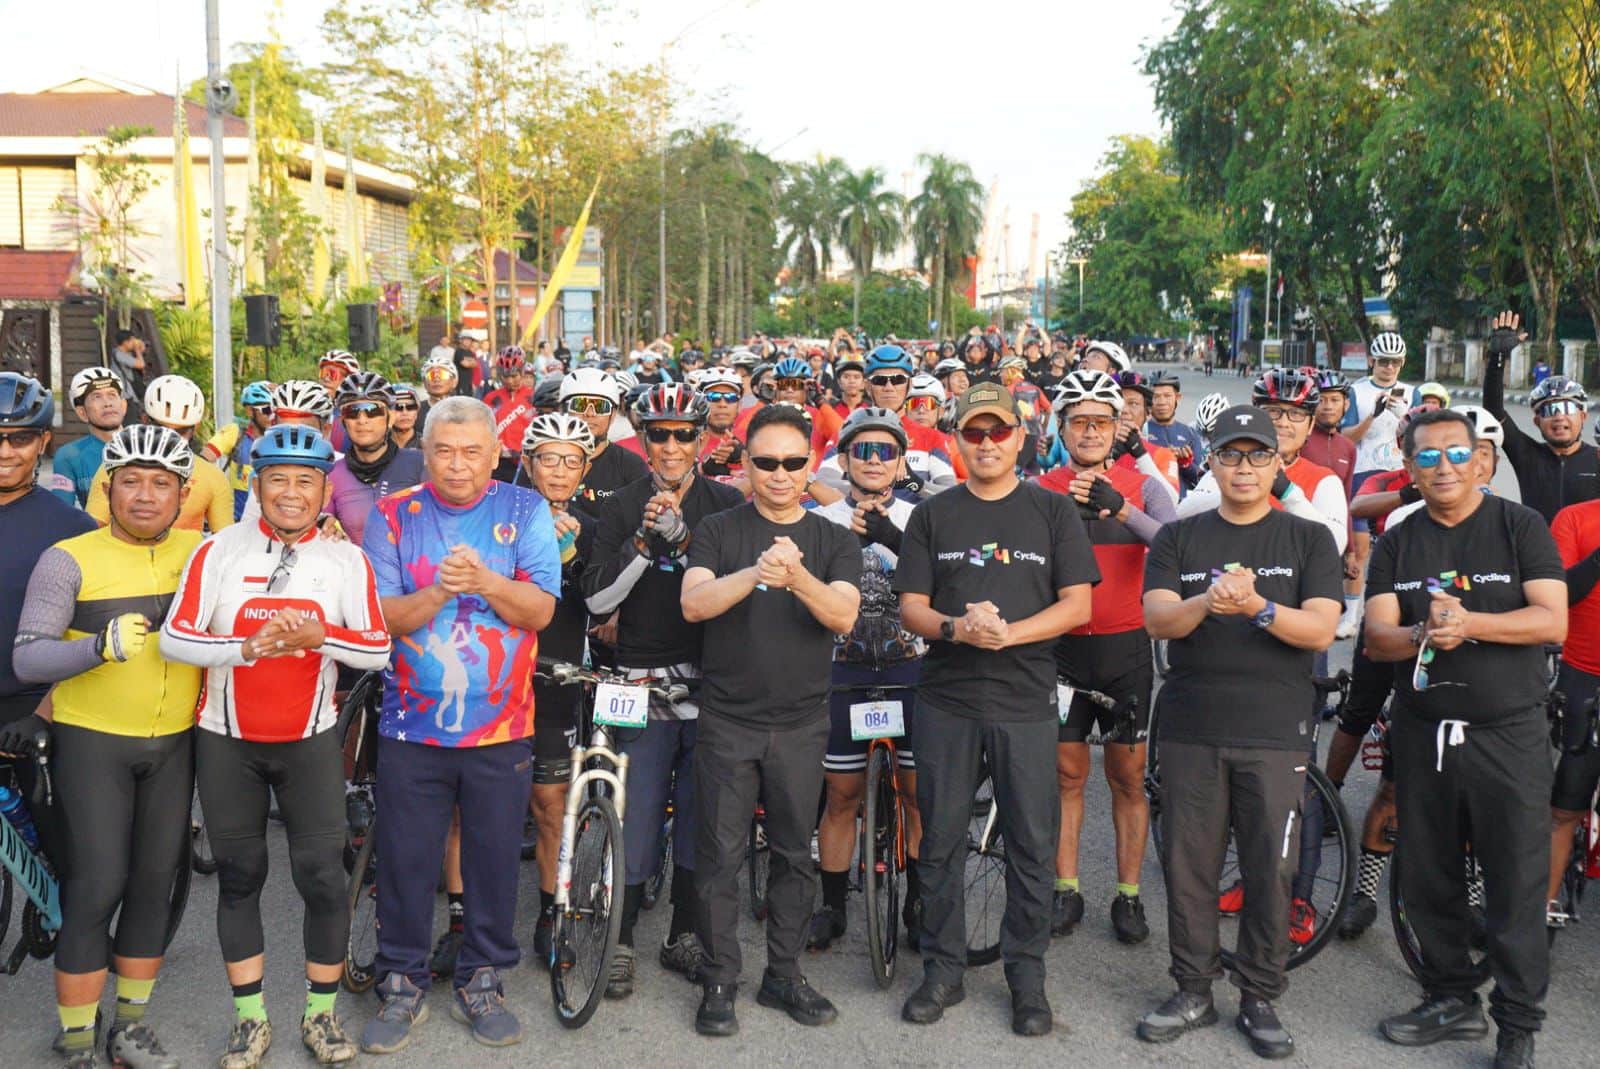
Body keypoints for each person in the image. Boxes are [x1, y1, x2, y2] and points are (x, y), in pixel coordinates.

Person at [159, 424, 391, 1068]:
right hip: (226, 743)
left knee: (320, 879)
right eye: (278, 479)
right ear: (255, 483)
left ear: (324, 489)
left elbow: (377, 649)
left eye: (306, 481)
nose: (292, 493)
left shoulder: (345, 560)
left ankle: (320, 1016)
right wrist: (245, 648)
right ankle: (249, 1020)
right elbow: (175, 639)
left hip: (309, 744)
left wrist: (319, 635)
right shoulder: (218, 551)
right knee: (240, 878)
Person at [1135, 405, 1342, 1060]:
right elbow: (1158, 620)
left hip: (1276, 729)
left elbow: (1319, 629)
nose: (1244, 466)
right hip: (1192, 724)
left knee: (1270, 867)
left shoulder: (1307, 539)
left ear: (1277, 462)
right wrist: (1208, 602)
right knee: (1188, 865)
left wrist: (1258, 606)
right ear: (1213, 463)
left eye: (1257, 455)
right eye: (1231, 454)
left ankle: (1258, 994)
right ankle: (1192, 988)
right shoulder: (1180, 538)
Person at [893, 382, 1098, 1037]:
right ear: (956, 438)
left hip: (1025, 701)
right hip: (947, 699)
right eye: (973, 433)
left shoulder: (1052, 511)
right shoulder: (933, 513)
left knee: (1032, 846)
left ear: (1020, 437)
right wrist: (957, 628)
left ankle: (1027, 980)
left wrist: (1009, 633)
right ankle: (942, 970)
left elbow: (1078, 604)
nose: (986, 444)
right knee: (942, 840)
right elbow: (912, 606)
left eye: (998, 432)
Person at [1363, 408, 1566, 1069]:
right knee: (1428, 876)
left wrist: (1471, 621)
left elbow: (1549, 618)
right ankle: (1450, 996)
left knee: (1514, 881)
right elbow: (1376, 635)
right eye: (1427, 457)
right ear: (1410, 466)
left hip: (1508, 734)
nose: (1443, 467)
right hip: (1424, 733)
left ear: (1482, 461)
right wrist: (1424, 632)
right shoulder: (1397, 540)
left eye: (1456, 454)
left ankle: (1517, 1022)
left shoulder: (1518, 526)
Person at [357, 396, 559, 1053]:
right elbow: (385, 617)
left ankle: (482, 977)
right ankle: (402, 979)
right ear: (426, 453)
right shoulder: (391, 515)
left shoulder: (525, 510)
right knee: (407, 858)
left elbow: (539, 611)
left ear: (496, 454)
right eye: (444, 449)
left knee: (495, 859)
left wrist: (486, 581)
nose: (458, 464)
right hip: (411, 726)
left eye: (473, 450)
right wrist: (443, 590)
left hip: (502, 726)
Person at [13, 424, 203, 1069]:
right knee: (96, 886)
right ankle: (74, 1038)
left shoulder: (204, 553)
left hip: (174, 744)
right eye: (130, 482)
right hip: (94, 743)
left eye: (160, 484)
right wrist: (96, 647)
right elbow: (30, 658)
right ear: (108, 487)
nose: (145, 496)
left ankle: (129, 1027)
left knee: (154, 885)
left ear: (182, 494)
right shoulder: (69, 557)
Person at [680, 403, 862, 1037]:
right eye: (766, 462)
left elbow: (843, 616)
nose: (779, 474)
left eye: (792, 462)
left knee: (793, 853)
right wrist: (756, 572)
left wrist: (798, 577)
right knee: (720, 856)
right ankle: (720, 977)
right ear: (747, 464)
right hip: (728, 719)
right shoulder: (719, 528)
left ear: (810, 464)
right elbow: (695, 603)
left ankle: (782, 974)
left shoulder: (835, 539)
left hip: (802, 722)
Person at [583, 383, 744, 998]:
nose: (671, 446)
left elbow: (739, 593)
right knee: (638, 813)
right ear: (642, 439)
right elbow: (597, 600)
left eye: (683, 434)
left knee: (703, 817)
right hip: (639, 679)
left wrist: (685, 543)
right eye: (659, 434)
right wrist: (644, 547)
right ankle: (620, 939)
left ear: (702, 440)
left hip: (714, 682)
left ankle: (682, 934)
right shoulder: (623, 502)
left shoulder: (727, 503)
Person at [1034, 370, 1175, 943]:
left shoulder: (1146, 483)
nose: (1090, 432)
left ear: (1119, 427)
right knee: (1067, 776)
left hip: (1125, 648)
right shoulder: (1041, 488)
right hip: (1063, 652)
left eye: (1101, 421)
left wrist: (1120, 510)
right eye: (1078, 422)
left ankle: (1129, 896)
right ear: (1062, 428)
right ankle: (1066, 890)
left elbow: (1176, 545)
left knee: (1127, 776)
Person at [807, 407, 927, 951]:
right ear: (845, 459)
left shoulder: (925, 516)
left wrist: (895, 536)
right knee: (841, 798)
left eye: (885, 451)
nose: (874, 461)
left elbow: (944, 583)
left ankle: (920, 901)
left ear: (901, 461)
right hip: (843, 671)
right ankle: (832, 905)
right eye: (863, 450)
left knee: (915, 795)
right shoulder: (819, 522)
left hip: (910, 668)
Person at [514, 413, 598, 964]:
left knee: (550, 804)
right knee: (470, 809)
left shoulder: (594, 521)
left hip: (556, 672)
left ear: (586, 467)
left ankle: (552, 911)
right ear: (528, 463)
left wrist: (570, 554)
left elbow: (596, 596)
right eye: (549, 458)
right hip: (494, 673)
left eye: (572, 460)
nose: (560, 471)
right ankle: (463, 918)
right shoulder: (500, 511)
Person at [0, 373, 96, 764]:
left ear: (43, 441)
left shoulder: (75, 530)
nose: (5, 451)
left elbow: (93, 639)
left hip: (35, 714)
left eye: (19, 438)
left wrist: (44, 715)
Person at [1482, 310, 1600, 523]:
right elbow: (1493, 412)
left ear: (1583, 416)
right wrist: (1497, 359)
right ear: (1537, 421)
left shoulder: (1597, 459)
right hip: (1536, 554)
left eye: (1567, 408)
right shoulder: (1527, 455)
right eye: (1548, 410)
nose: (1558, 417)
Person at [1547, 461, 1600, 929]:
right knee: (1566, 805)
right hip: (1585, 675)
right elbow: (1562, 593)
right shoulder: (1574, 518)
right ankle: (1541, 908)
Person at [86, 374, 234, 534]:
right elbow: (92, 532)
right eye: (161, 429)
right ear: (144, 420)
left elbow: (224, 542)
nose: (169, 439)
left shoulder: (213, 477)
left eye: (180, 432)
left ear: (195, 428)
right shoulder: (115, 468)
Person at [1340, 331, 1413, 636]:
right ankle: (1351, 616)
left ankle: (1397, 609)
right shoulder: (1356, 392)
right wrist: (1374, 415)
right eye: (1383, 361)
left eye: (1395, 362)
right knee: (1358, 549)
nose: (1389, 368)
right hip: (1363, 473)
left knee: (1401, 545)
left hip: (1398, 474)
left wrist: (1404, 416)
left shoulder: (1412, 391)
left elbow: (1419, 434)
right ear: (1371, 361)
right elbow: (1346, 438)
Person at [328, 372, 425, 546]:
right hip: (360, 571)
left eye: (373, 411)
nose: (362, 420)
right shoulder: (333, 473)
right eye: (352, 412)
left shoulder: (420, 464)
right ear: (343, 421)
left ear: (390, 418)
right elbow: (322, 526)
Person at [560, 367, 649, 507]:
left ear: (613, 415)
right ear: (563, 410)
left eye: (600, 406)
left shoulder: (631, 466)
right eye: (579, 404)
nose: (589, 413)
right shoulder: (542, 461)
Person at [49, 367, 128, 506]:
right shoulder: (69, 456)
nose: (107, 403)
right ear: (82, 413)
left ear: (123, 406)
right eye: (97, 397)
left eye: (112, 395)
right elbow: (61, 513)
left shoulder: (150, 443)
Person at [203, 380, 276, 521]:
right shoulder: (235, 433)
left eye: (276, 410)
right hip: (235, 521)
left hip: (269, 523)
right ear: (250, 411)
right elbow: (203, 461)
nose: (272, 416)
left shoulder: (283, 440)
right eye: (267, 410)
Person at [1144, 373, 1206, 492]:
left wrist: (1185, 464)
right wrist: (1161, 456)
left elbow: (1200, 481)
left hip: (1182, 505)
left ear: (1177, 397)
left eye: (1167, 396)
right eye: (1155, 396)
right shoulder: (1140, 432)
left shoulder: (1190, 434)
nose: (1161, 402)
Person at [483, 346, 535, 482]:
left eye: (514, 376)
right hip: (499, 462)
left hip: (525, 462)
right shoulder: (491, 398)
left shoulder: (533, 397)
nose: (510, 381)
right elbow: (484, 428)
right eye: (506, 377)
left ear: (522, 372)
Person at [697, 367, 747, 477]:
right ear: (700, 404)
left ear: (739, 405)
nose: (722, 404)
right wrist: (702, 469)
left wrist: (744, 457)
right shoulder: (686, 441)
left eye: (731, 397)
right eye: (713, 397)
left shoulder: (754, 439)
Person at [108, 329, 148, 411]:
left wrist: (140, 346)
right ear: (125, 342)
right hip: (126, 396)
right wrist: (137, 349)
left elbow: (141, 352)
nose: (134, 343)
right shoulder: (119, 355)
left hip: (130, 394)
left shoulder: (124, 353)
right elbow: (141, 364)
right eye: (132, 341)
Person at [390, 385, 423, 450]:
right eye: (398, 407)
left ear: (417, 412)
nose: (405, 413)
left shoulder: (428, 445)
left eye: (411, 407)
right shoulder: (377, 445)